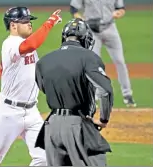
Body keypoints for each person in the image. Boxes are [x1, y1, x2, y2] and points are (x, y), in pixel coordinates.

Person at [0, 7, 62, 166]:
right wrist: (49, 23)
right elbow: (31, 45)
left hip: (31, 112)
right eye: (25, 21)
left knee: (46, 157)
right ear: (13, 25)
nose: (30, 24)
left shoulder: (24, 43)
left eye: (30, 21)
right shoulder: (10, 44)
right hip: (8, 112)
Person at [35, 18, 114, 166]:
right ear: (85, 39)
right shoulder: (89, 57)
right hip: (77, 124)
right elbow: (105, 91)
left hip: (51, 127)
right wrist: (103, 120)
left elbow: (43, 87)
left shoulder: (43, 61)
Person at [69, 0, 136, 107]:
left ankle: (127, 95)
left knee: (120, 61)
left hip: (110, 28)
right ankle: (96, 96)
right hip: (92, 32)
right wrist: (81, 20)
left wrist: (118, 13)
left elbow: (121, 8)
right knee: (94, 64)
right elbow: (74, 8)